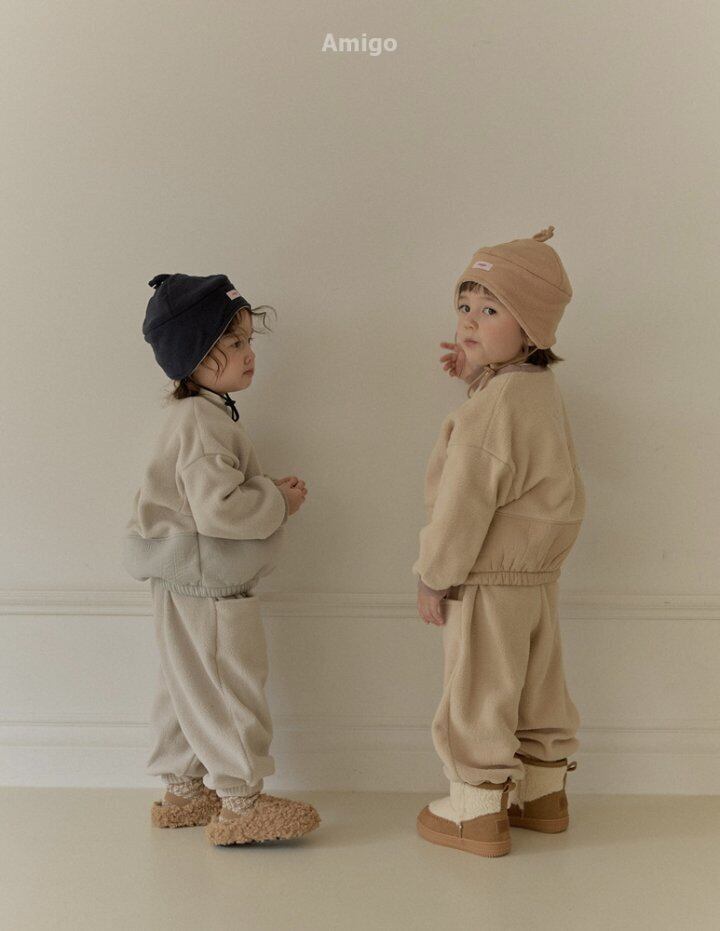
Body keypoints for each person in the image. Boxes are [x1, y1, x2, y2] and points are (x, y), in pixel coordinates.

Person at [122, 273, 320, 846]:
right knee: (227, 684)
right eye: (233, 342)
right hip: (207, 583)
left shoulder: (197, 417)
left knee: (184, 684)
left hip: (180, 577)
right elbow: (219, 511)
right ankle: (241, 802)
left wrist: (264, 491)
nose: (249, 353)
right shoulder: (204, 424)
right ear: (194, 354)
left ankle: (183, 791)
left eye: (248, 340)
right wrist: (277, 501)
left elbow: (205, 499)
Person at [413, 227, 585, 857]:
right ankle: (543, 795)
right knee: (539, 687)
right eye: (464, 306)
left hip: (485, 577)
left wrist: (434, 575)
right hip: (536, 577)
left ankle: (476, 809)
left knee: (479, 689)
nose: (468, 321)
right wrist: (477, 373)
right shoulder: (537, 390)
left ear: (531, 327)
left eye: (489, 311)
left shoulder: (490, 409)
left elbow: (465, 503)